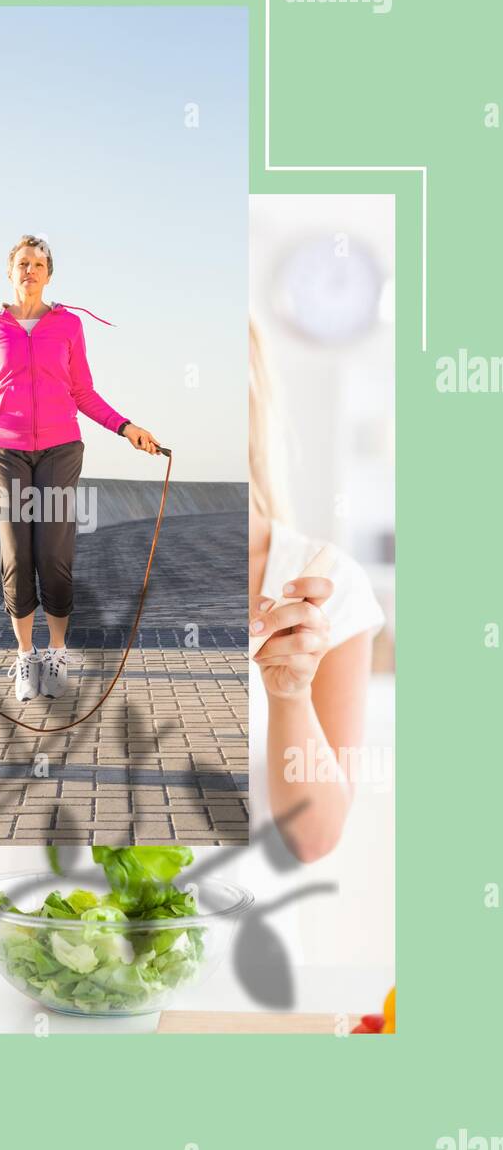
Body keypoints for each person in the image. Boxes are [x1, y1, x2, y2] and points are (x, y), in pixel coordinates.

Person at [0, 235, 162, 702]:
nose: (30, 270)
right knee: (17, 555)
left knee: (53, 555)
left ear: (49, 274)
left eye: (38, 264)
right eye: (23, 263)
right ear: (10, 271)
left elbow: (83, 392)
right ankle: (24, 655)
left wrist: (126, 427)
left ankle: (56, 653)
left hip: (61, 449)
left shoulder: (69, 325)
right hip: (6, 451)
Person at [229, 315, 387, 967]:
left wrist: (289, 695)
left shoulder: (324, 582)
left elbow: (314, 837)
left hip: (239, 967)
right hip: (72, 954)